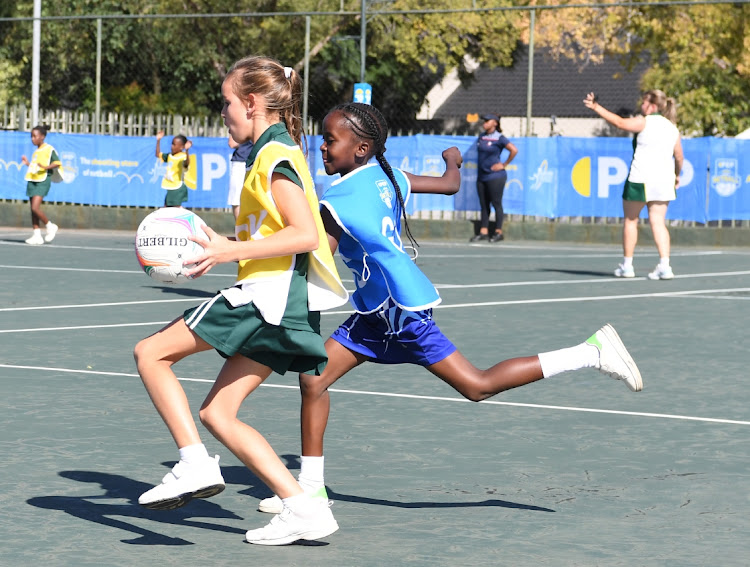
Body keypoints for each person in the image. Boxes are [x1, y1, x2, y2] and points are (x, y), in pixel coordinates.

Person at [256, 102, 643, 517]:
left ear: (362, 147)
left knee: (477, 386)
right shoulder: (387, 177)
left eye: (331, 140)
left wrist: (254, 251)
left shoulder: (339, 200)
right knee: (313, 380)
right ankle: (311, 489)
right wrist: (453, 158)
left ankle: (591, 352)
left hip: (398, 315)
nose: (324, 148)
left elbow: (314, 254)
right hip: (377, 313)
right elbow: (449, 185)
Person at [134, 56, 348, 546]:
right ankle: (303, 510)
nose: (224, 111)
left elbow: (305, 234)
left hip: (265, 299)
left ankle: (192, 464)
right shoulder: (271, 151)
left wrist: (232, 250)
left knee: (150, 353)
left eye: (227, 102)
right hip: (281, 303)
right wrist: (225, 247)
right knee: (218, 414)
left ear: (251, 103)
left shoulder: (275, 158)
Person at [583, 90, 683, 280]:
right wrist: (676, 176)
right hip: (663, 181)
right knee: (658, 222)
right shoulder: (672, 128)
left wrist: (596, 107)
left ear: (653, 106)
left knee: (631, 220)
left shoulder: (644, 121)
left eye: (644, 102)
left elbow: (619, 123)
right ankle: (665, 265)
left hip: (640, 178)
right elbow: (679, 157)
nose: (642, 106)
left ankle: (627, 266)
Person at [470, 113, 518, 243]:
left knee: (496, 203)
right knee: (484, 205)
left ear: (495, 123)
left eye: (487, 121)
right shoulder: (481, 137)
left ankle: (498, 232)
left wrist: (503, 164)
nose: (484, 123)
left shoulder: (500, 138)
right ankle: (483, 231)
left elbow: (514, 150)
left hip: (495, 177)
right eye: (484, 121)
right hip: (482, 176)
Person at [21, 125, 61, 245]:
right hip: (33, 180)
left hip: (43, 181)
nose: (32, 139)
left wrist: (45, 167)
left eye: (35, 136)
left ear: (42, 137)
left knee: (35, 208)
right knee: (32, 210)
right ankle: (37, 235)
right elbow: (35, 167)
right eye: (31, 136)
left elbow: (57, 163)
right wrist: (28, 163)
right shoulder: (36, 152)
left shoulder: (49, 149)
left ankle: (50, 226)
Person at [155, 131, 192, 207]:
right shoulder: (170, 156)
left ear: (181, 147)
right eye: (172, 144)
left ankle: (182, 217)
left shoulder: (183, 156)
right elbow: (157, 154)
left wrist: (187, 150)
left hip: (177, 187)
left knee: (174, 209)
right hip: (170, 186)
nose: (172, 146)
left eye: (174, 144)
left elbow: (186, 163)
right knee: (166, 208)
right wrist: (158, 140)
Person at [227, 135, 254, 219]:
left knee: (237, 198)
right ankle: (241, 228)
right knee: (237, 198)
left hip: (245, 162)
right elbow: (232, 144)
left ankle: (241, 228)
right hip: (245, 162)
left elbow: (232, 143)